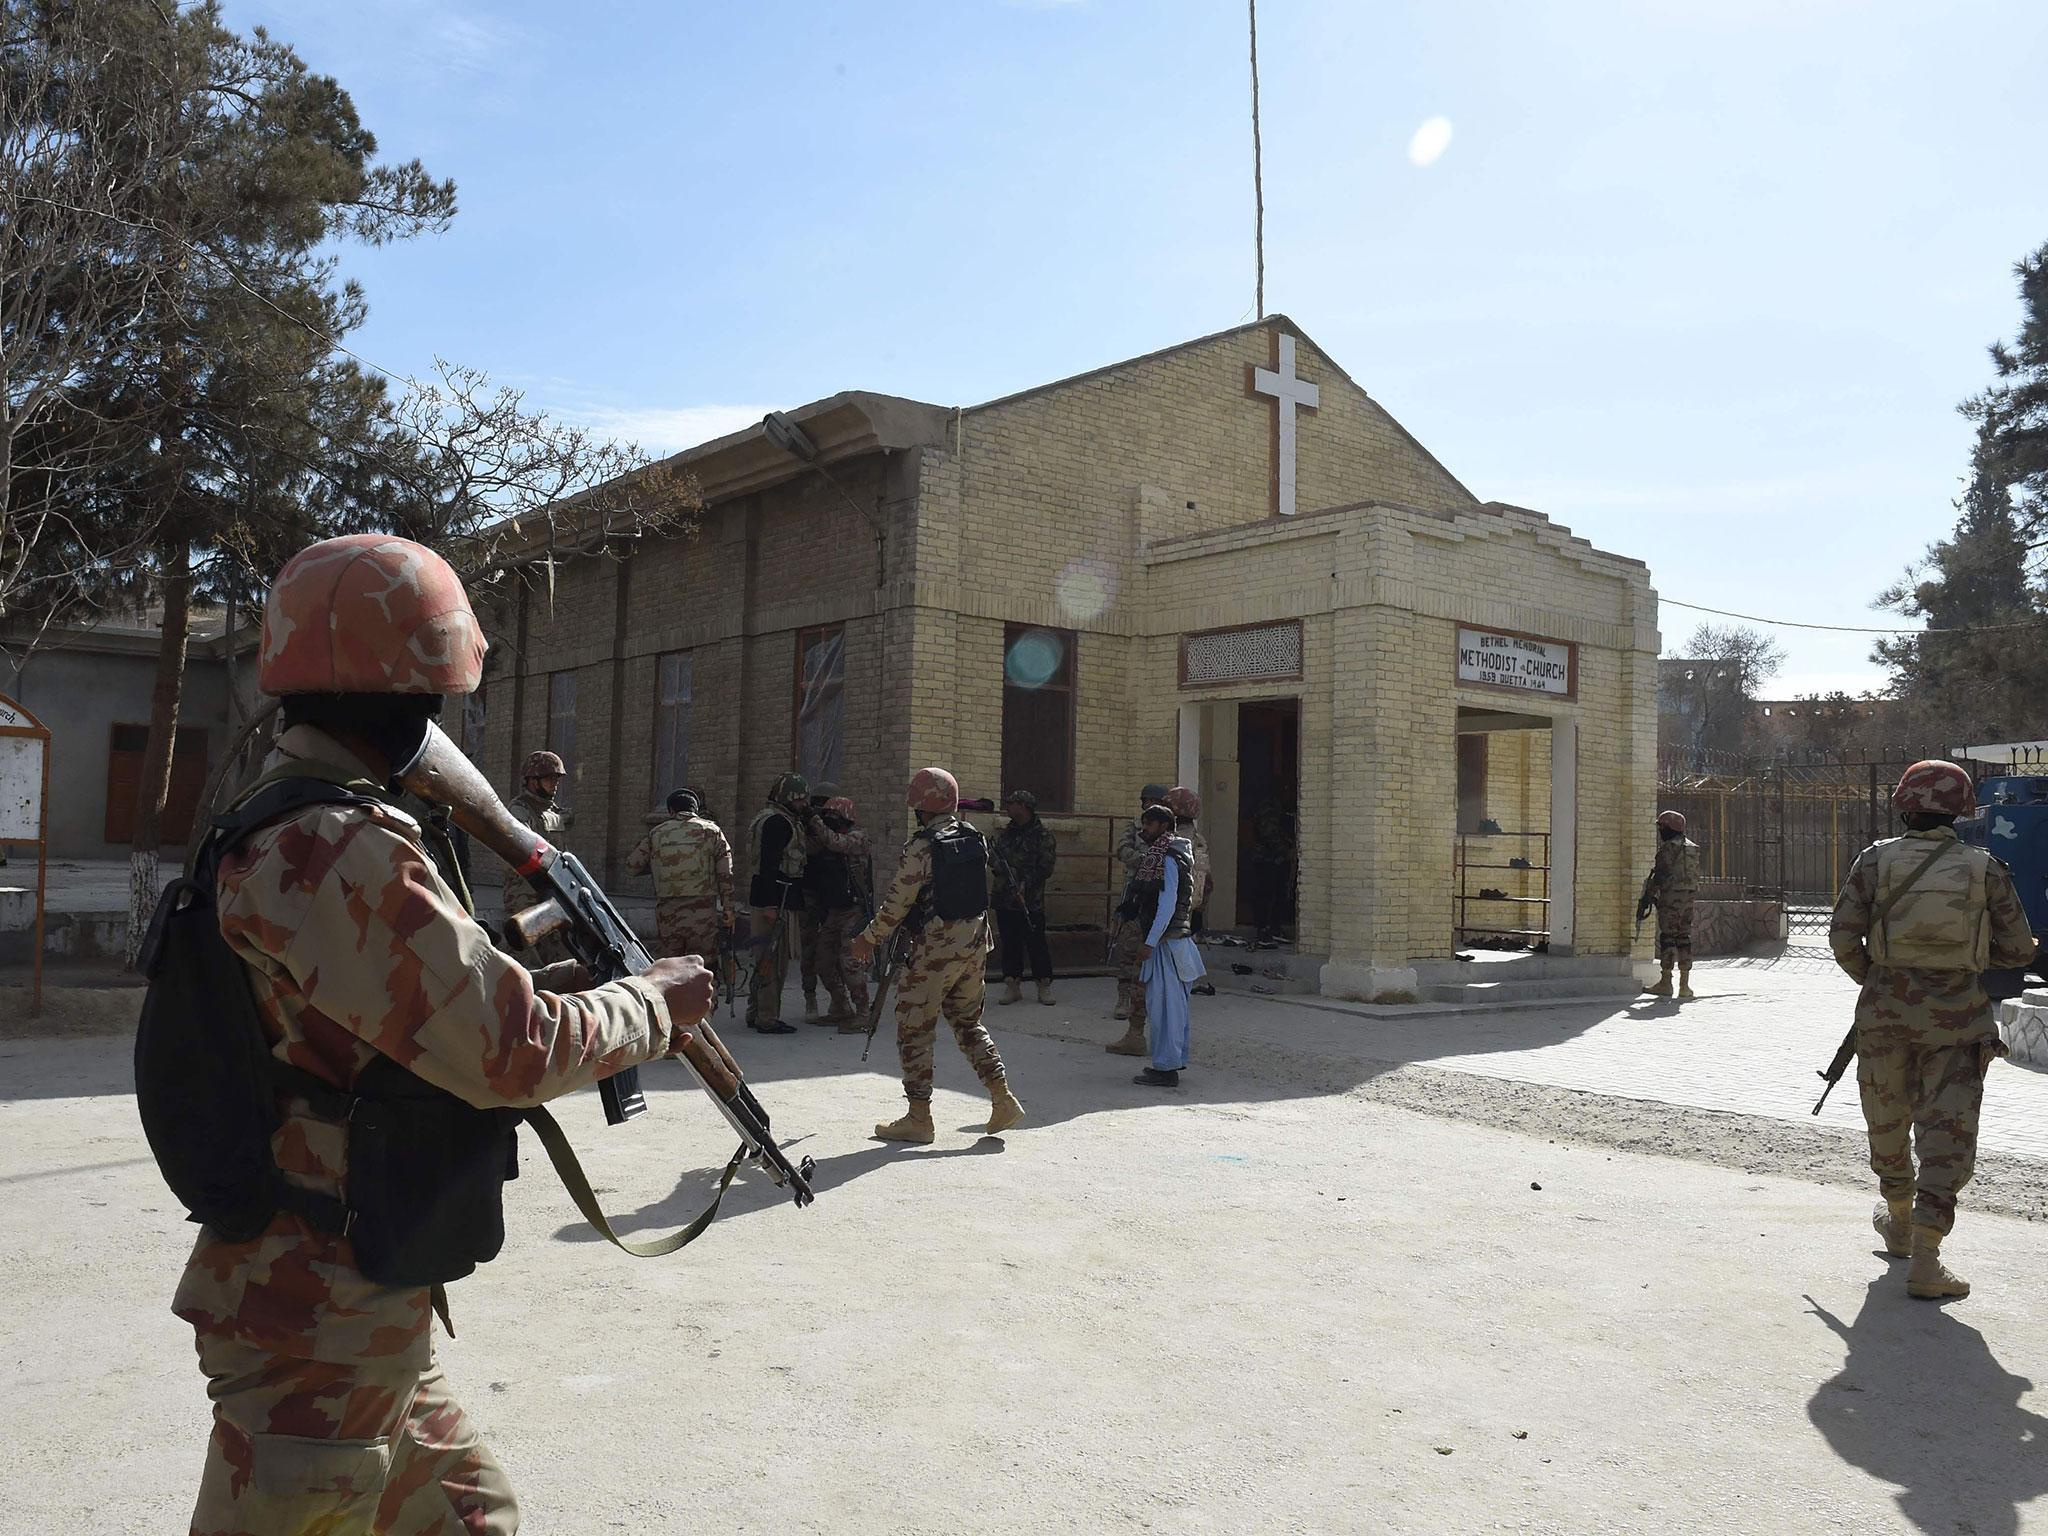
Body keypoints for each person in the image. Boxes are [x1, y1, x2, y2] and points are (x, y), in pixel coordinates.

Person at [176, 533, 712, 1533]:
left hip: (355, 1302)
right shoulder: (337, 842)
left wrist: (538, 977)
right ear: (423, 684)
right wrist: (653, 1005)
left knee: (473, 1519)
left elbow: (380, 1016)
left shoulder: (308, 822)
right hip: (316, 1323)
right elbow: (508, 1054)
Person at [1829, 759, 2036, 1301]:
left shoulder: (1874, 862)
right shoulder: (1984, 867)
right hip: (1959, 1024)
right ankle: (1926, 1256)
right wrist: (1961, 969)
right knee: (1946, 1135)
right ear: (1963, 809)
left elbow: (1843, 939)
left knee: (1888, 1121)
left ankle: (1897, 1218)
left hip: (1883, 1017)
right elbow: (2018, 948)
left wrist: (1881, 980)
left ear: (1903, 804)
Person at [849, 766, 1025, 1143]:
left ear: (922, 805)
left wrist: (868, 939)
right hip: (974, 942)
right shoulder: (974, 837)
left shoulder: (923, 846)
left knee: (914, 1028)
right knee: (967, 1023)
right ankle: (1002, 1098)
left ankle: (918, 1117)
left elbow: (898, 904)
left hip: (934, 949)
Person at [1128, 803, 1205, 1088]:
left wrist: (1149, 941)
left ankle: (1167, 1068)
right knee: (1167, 1008)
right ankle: (1168, 1062)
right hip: (1169, 943)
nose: (1143, 830)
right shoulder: (1162, 854)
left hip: (1168, 944)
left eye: (1148, 825)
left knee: (1166, 1010)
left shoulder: (1169, 856)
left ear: (1162, 825)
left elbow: (1167, 903)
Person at [625, 787, 736, 962]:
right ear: (696, 809)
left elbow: (632, 866)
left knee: (670, 969)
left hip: (669, 914)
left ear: (670, 810)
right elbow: (725, 873)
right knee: (703, 966)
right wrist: (728, 908)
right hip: (703, 913)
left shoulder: (657, 833)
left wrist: (658, 862)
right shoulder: (712, 831)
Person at [743, 772, 809, 1034]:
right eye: (801, 799)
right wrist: (771, 904)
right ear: (789, 798)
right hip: (775, 900)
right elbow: (769, 865)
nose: (805, 804)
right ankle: (767, 1017)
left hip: (767, 898)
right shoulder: (778, 824)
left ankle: (754, 1011)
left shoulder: (766, 818)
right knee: (773, 961)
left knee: (762, 958)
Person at [1108, 781, 1170, 1052]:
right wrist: (1147, 860)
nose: (1149, 805)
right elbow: (1122, 850)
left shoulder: (1169, 827)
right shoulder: (1136, 825)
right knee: (1128, 946)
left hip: (1157, 895)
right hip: (1134, 890)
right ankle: (1125, 996)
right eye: (1147, 801)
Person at [802, 793, 873, 1025]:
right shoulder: (824, 840)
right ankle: (841, 1007)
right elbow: (808, 848)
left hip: (855, 912)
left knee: (850, 963)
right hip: (833, 912)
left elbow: (836, 843)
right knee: (823, 961)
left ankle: (863, 1011)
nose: (830, 820)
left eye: (834, 816)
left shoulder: (858, 838)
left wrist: (816, 822)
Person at [505, 748, 572, 965]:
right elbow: (522, 847)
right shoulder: (520, 810)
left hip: (552, 888)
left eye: (557, 779)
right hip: (525, 891)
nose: (555, 784)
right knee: (526, 952)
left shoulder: (554, 812)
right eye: (550, 779)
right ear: (533, 781)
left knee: (559, 952)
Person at [993, 788, 1058, 1006]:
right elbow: (995, 860)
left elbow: (1045, 867)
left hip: (1031, 901)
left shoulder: (1043, 836)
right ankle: (1012, 984)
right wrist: (1001, 868)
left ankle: (1043, 985)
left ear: (1023, 806)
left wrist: (1024, 883)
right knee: (1009, 942)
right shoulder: (1006, 834)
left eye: (1012, 803)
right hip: (1006, 898)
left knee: (1036, 943)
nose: (1008, 807)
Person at [1637, 809, 1701, 998]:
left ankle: (1666, 982)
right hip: (1688, 898)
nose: (1660, 831)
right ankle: (1685, 985)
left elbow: (1661, 875)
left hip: (1671, 898)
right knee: (1684, 938)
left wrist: (1648, 897)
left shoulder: (1668, 848)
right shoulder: (1692, 848)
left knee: (1668, 938)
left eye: (1662, 827)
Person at [796, 779, 838, 1020]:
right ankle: (810, 996)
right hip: (811, 894)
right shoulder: (806, 825)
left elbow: (834, 843)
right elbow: (808, 848)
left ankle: (837, 1001)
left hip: (833, 897)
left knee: (836, 952)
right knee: (809, 948)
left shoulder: (834, 826)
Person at [1247, 792, 1295, 947]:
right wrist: (1285, 850)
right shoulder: (1270, 805)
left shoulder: (1280, 806)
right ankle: (1264, 929)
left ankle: (1274, 928)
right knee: (1266, 895)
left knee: (1279, 894)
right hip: (1268, 859)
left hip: (1276, 859)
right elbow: (1268, 832)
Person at [1165, 785, 1212, 934]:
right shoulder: (1199, 840)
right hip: (1189, 910)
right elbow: (1207, 882)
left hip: (1171, 910)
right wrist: (1200, 910)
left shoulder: (1173, 839)